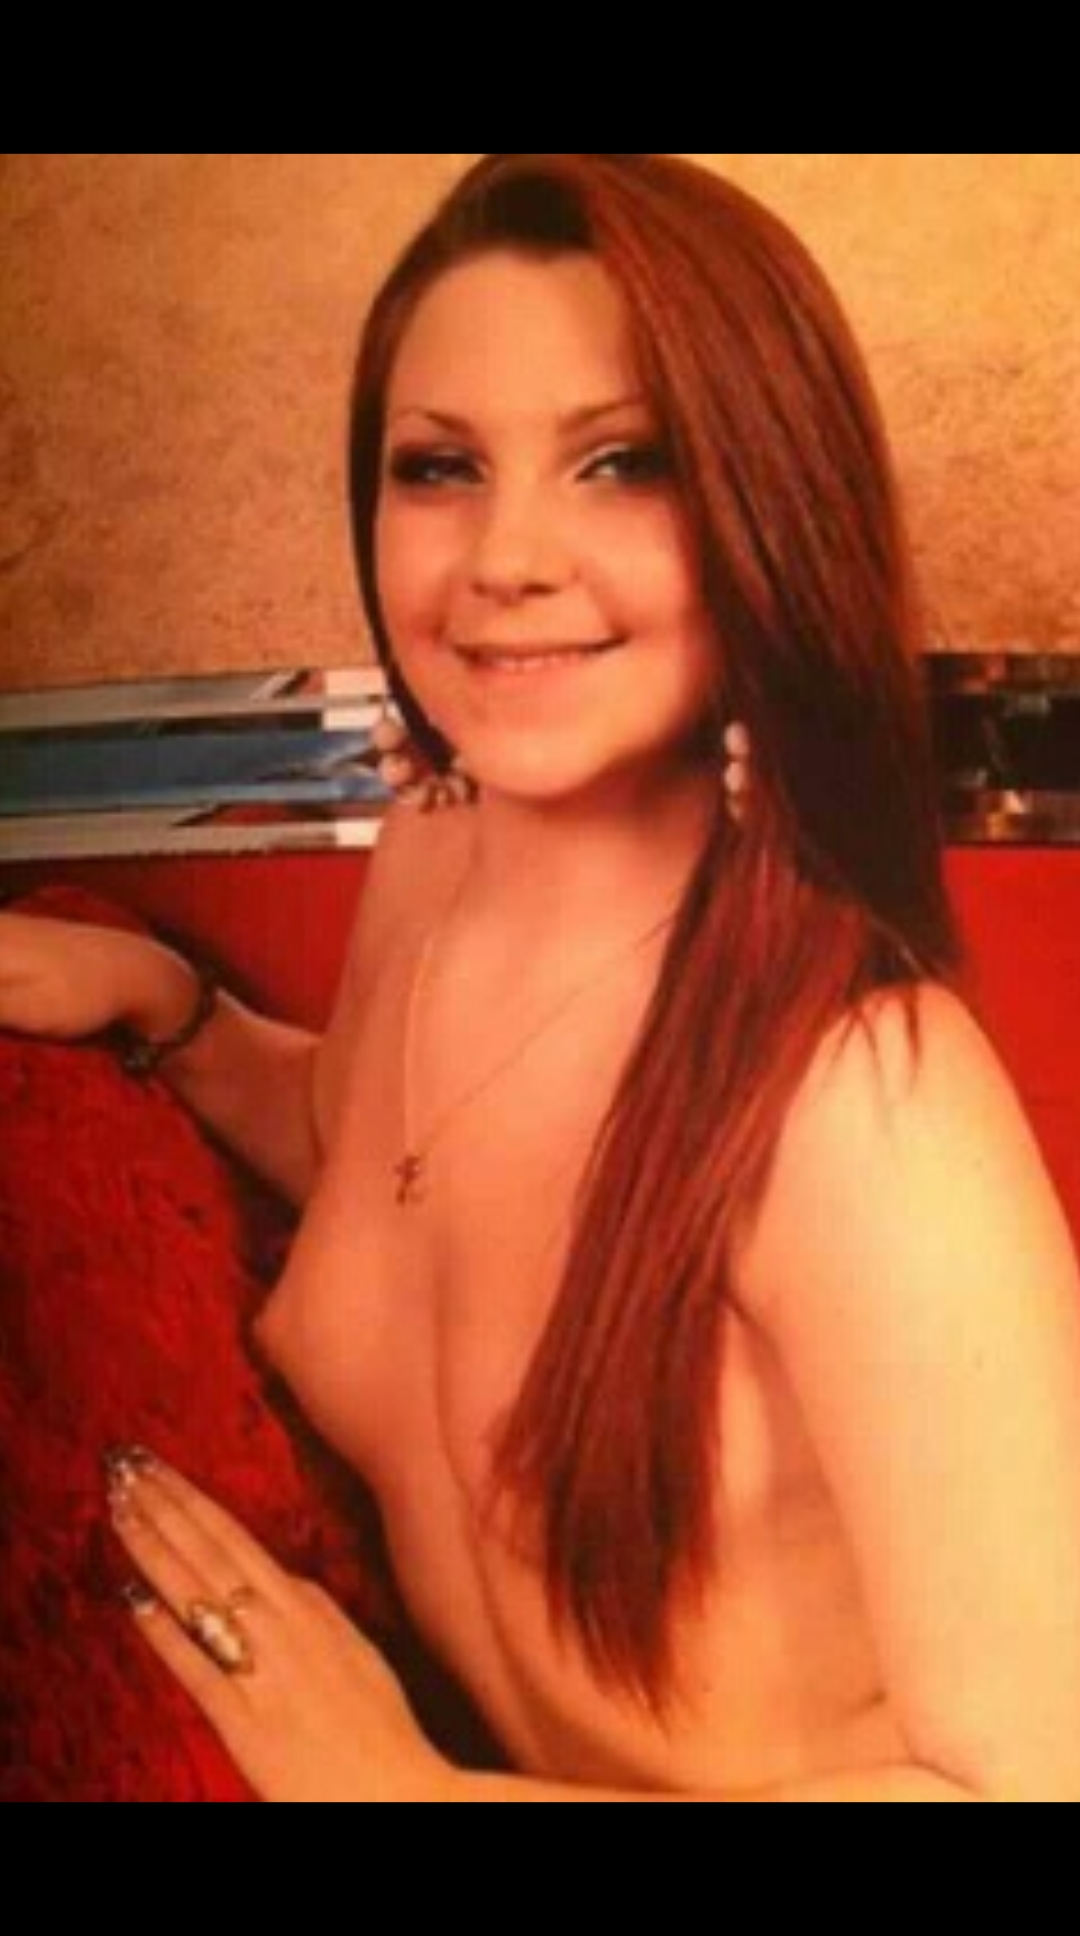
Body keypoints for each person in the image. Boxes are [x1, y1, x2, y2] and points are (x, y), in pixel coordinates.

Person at [4, 150, 1080, 1803]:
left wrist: (419, 1799)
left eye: (621, 461)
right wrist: (171, 1009)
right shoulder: (431, 867)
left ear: (771, 509)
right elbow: (388, 1167)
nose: (505, 556)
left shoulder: (862, 1090)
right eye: (440, 467)